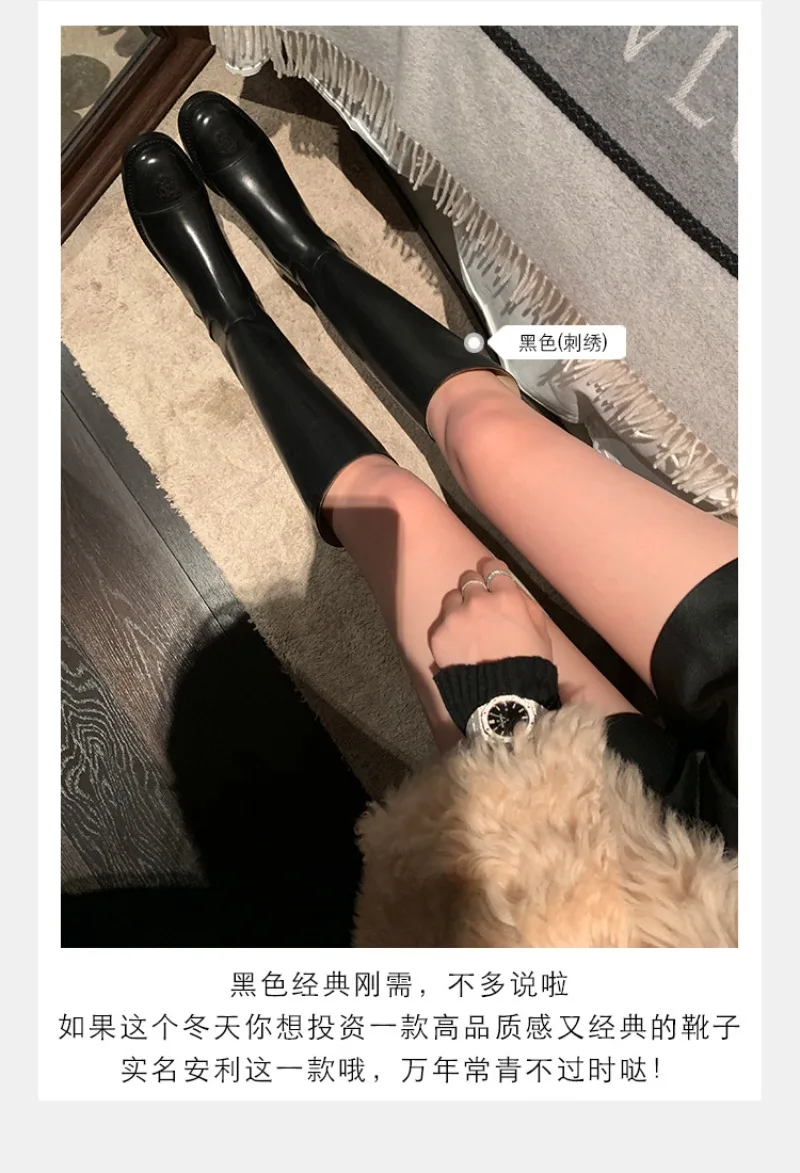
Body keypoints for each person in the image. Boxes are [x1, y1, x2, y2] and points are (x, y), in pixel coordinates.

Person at [121, 91, 738, 948]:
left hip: (648, 909)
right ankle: (310, 252)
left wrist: (502, 715)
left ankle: (230, 316)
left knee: (394, 507)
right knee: (488, 439)